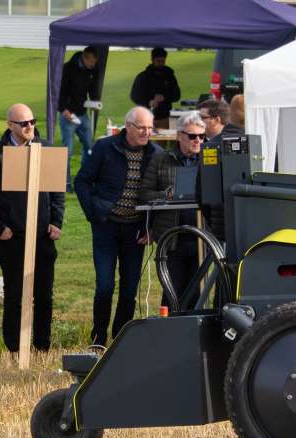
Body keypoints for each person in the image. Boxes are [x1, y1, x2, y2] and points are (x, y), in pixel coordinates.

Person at [0, 103, 65, 355]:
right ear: (10, 125)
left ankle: (42, 346)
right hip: (12, 237)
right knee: (14, 294)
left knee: (44, 294)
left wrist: (56, 221)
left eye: (32, 121)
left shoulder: (45, 150)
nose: (30, 127)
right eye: (24, 123)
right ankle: (14, 347)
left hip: (42, 235)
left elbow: (57, 189)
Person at [76, 106, 162, 346]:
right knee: (104, 285)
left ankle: (119, 340)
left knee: (129, 289)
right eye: (142, 128)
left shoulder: (155, 154)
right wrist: (93, 212)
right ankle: (98, 337)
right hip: (106, 226)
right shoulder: (106, 147)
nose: (146, 132)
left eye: (149, 128)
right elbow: (82, 181)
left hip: (135, 231)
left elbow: (160, 194)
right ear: (129, 126)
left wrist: (150, 227)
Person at [140, 112, 204, 307]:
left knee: (198, 295)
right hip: (172, 239)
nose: (198, 141)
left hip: (202, 239)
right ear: (179, 136)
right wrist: (165, 196)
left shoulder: (210, 160)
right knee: (171, 294)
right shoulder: (161, 160)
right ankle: (168, 335)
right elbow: (145, 193)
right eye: (192, 136)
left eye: (202, 137)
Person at [58, 45, 101, 191]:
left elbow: (93, 88)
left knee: (90, 147)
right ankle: (66, 184)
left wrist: (95, 101)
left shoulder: (92, 70)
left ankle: (84, 182)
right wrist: (63, 109)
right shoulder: (68, 68)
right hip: (68, 115)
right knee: (67, 151)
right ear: (85, 58)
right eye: (92, 62)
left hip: (82, 114)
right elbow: (59, 90)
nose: (93, 65)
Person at [129, 48, 181, 129]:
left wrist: (164, 97)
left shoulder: (170, 75)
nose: (161, 63)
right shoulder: (143, 76)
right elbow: (134, 96)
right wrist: (149, 102)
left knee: (168, 140)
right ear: (152, 60)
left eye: (163, 61)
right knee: (146, 141)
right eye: (158, 61)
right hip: (145, 119)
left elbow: (177, 95)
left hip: (165, 118)